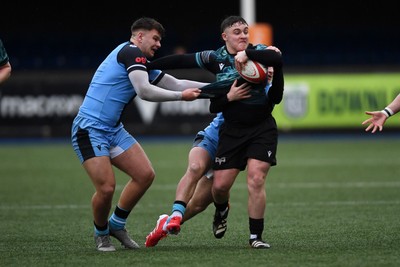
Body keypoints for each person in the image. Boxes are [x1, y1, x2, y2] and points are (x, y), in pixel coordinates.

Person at [71, 17, 210, 252]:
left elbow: (176, 83)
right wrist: (181, 98)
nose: (158, 44)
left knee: (145, 175)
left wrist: (220, 89)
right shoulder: (130, 52)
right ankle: (101, 232)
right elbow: (145, 91)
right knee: (106, 188)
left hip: (112, 130)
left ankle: (116, 224)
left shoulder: (139, 61)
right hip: (90, 129)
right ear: (139, 36)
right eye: (155, 38)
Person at [145, 15, 283, 249]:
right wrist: (147, 65)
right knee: (212, 183)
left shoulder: (257, 51)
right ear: (225, 36)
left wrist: (249, 54)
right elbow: (183, 62)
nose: (242, 35)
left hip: (259, 127)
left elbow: (276, 58)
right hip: (227, 128)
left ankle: (254, 237)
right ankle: (192, 214)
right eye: (236, 32)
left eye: (245, 31)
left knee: (250, 181)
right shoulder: (214, 57)